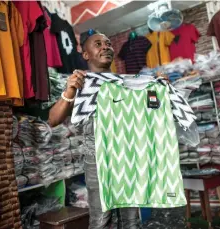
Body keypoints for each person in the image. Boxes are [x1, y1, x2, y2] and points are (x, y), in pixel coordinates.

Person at [48, 30, 141, 229]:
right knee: (101, 220)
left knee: (131, 221)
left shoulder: (126, 84)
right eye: (98, 44)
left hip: (129, 157)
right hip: (97, 160)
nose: (106, 46)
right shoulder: (81, 83)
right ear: (86, 54)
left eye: (108, 43)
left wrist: (159, 88)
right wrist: (69, 91)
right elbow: (53, 120)